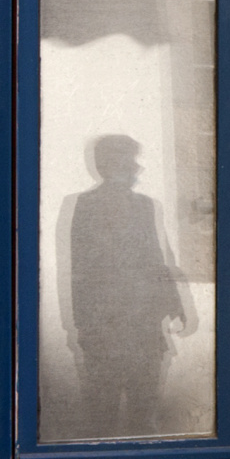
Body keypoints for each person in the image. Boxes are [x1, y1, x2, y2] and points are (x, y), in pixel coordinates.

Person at [69, 134, 188, 439]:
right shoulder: (86, 205)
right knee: (103, 417)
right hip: (104, 331)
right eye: (131, 161)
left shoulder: (144, 206)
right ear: (112, 164)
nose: (137, 168)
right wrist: (84, 328)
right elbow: (80, 272)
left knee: (143, 416)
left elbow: (156, 259)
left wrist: (176, 306)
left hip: (144, 328)